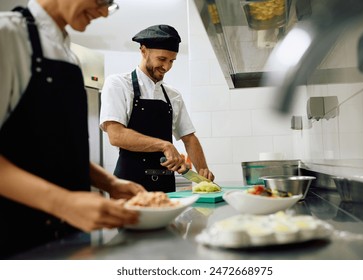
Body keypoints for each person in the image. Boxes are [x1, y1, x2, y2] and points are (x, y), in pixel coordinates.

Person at [0, 0, 146, 259]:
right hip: (17, 239)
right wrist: (63, 203)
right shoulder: (7, 36)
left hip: (70, 238)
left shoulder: (68, 54)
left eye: (110, 5)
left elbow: (56, 147)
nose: (103, 12)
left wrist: (109, 183)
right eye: (101, 1)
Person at [100, 24, 215, 193]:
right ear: (144, 51)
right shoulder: (118, 84)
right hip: (129, 186)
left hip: (165, 186)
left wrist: (203, 172)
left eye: (171, 61)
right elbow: (116, 135)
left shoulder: (173, 95)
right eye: (162, 59)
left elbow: (189, 138)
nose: (167, 67)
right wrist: (165, 146)